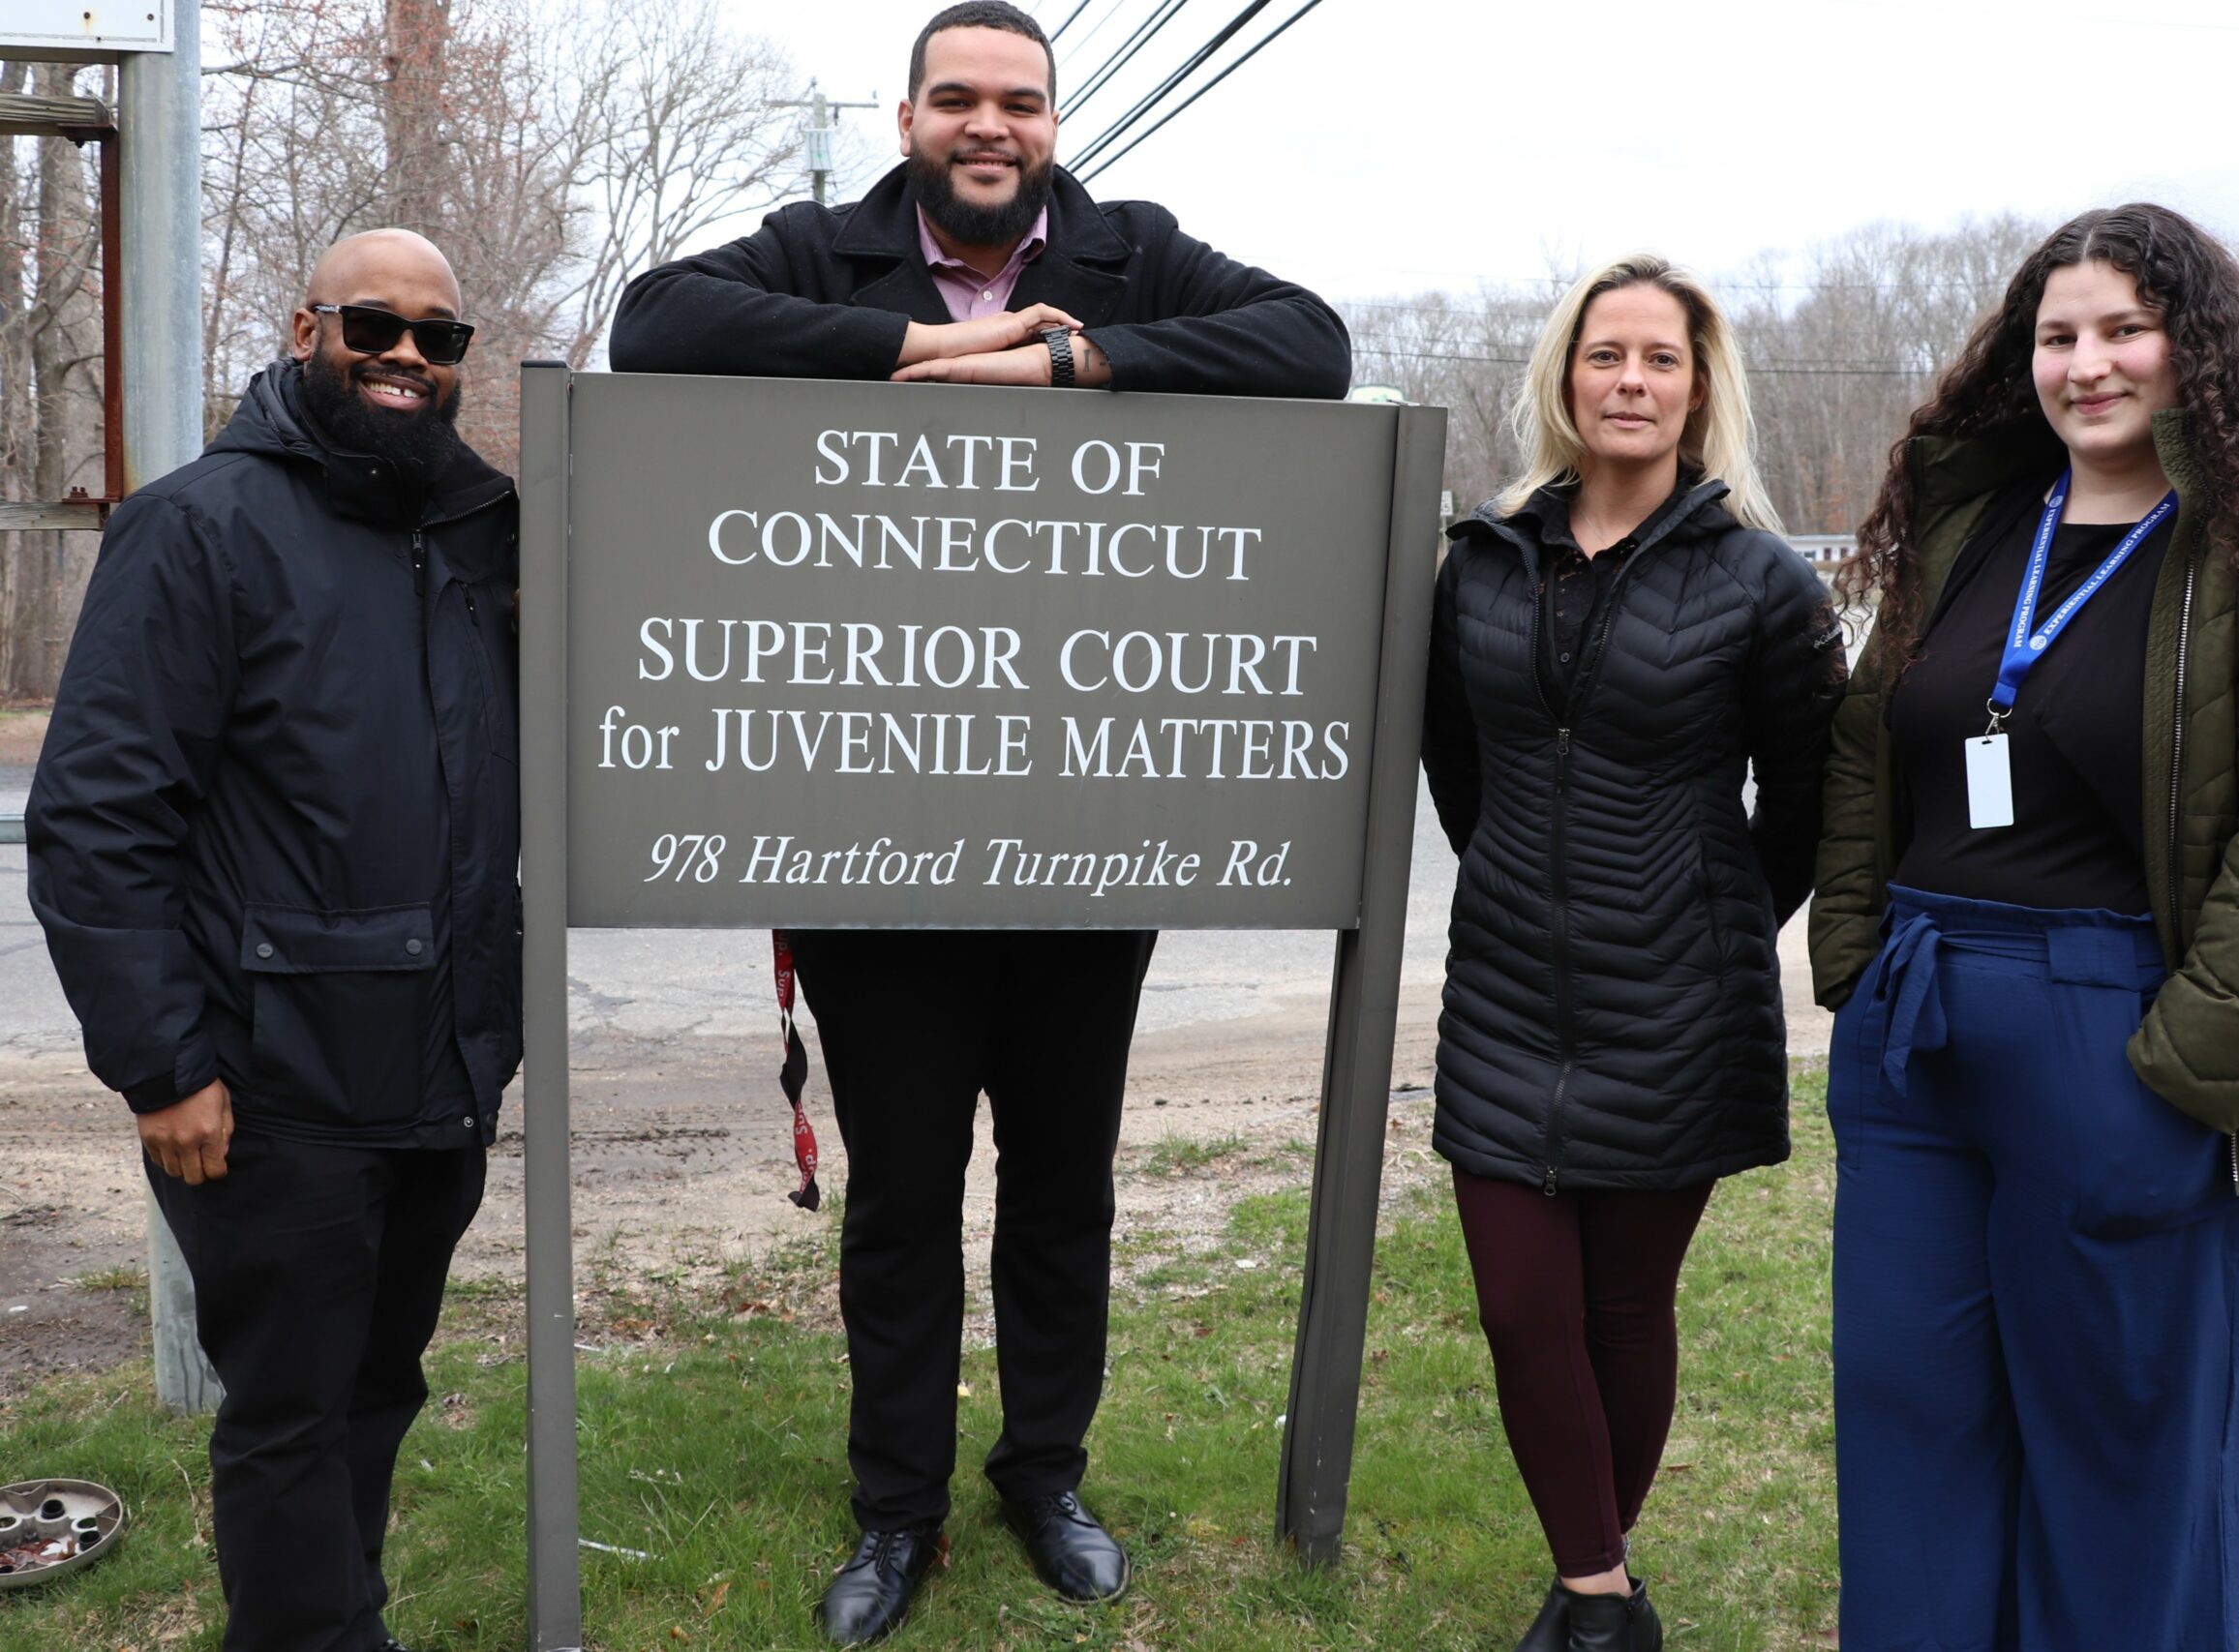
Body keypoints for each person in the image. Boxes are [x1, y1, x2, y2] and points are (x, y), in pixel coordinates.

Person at [609, 4, 1348, 1642]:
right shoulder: (821, 251)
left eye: (1020, 100)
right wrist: (927, 349)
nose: (989, 125)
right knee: (902, 1199)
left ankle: (1045, 1473)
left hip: (1092, 836)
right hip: (878, 843)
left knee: (1064, 1187)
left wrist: (1081, 357)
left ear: (1052, 123)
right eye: (959, 99)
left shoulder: (1133, 255)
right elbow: (651, 322)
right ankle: (897, 1510)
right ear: (909, 119)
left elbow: (1311, 345)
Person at [1809, 202, 2239, 1652]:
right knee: (1909, 1436)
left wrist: (2181, 1070)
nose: (2086, 364)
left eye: (2125, 329)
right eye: (2058, 335)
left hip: (2119, 1036)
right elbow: (1877, 747)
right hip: (1917, 1039)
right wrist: (1858, 971)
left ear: (2198, 353)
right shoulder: (1978, 516)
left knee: (2124, 1462)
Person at [28, 229, 519, 1652]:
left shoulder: (470, 536)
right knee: (294, 1409)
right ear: (307, 325)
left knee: (380, 1386)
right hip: (269, 1087)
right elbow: (99, 819)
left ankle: (337, 1617)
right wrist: (163, 1063)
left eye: (441, 337)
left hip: (438, 1071)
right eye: (377, 323)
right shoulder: (198, 527)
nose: (409, 356)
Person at [1422, 255, 1843, 1652]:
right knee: (1520, 1308)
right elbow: (1460, 768)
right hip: (1502, 999)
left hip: (1678, 1003)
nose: (1633, 381)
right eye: (1608, 355)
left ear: (1698, 390)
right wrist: (1530, 898)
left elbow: (1806, 806)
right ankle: (1606, 1597)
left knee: (1619, 1310)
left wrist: (1697, 916)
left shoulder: (1765, 584)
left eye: (1662, 360)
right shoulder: (1481, 560)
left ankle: (1593, 1592)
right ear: (1565, 375)